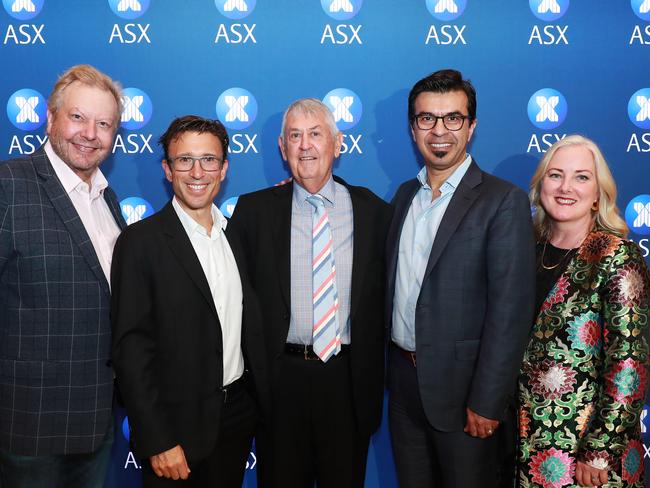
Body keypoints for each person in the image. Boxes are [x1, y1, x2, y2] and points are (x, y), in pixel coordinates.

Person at [227, 98, 391, 487]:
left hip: (348, 380)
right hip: (280, 382)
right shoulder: (253, 212)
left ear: (337, 145)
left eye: (316, 134)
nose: (305, 145)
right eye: (294, 136)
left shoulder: (375, 212)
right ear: (282, 150)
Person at [385, 69, 536, 488]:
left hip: (466, 396)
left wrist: (487, 401)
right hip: (403, 389)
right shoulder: (403, 197)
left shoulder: (502, 200)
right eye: (426, 119)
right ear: (413, 128)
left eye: (453, 118)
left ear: (471, 127)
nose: (439, 131)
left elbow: (510, 312)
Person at [111, 115, 269, 487]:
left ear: (224, 168)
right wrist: (158, 439)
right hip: (174, 431)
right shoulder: (140, 243)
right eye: (184, 160)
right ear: (167, 169)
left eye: (209, 160)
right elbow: (131, 350)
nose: (197, 171)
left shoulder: (238, 236)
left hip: (236, 420)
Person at [0, 64, 126, 487]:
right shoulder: (8, 185)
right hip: (26, 424)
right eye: (78, 117)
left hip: (95, 422)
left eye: (104, 123)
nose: (90, 133)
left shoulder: (108, 199)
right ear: (51, 118)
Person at [518, 135, 650, 488]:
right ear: (541, 185)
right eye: (555, 175)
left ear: (597, 194)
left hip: (588, 458)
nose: (566, 187)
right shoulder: (526, 251)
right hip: (528, 447)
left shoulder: (617, 256)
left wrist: (601, 448)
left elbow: (629, 363)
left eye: (581, 177)